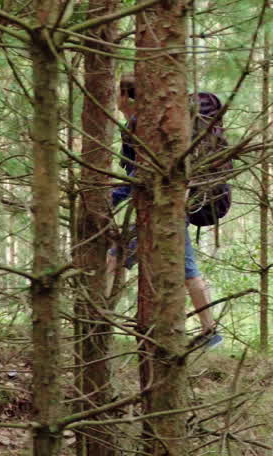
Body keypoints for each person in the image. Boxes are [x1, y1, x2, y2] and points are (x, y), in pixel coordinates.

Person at [112, 74, 223, 350]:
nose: (115, 98)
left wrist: (112, 199)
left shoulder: (142, 126)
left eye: (117, 93)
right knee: (188, 270)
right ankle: (211, 331)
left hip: (158, 209)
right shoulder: (144, 124)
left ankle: (96, 320)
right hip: (173, 208)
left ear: (126, 96)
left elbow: (143, 173)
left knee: (115, 258)